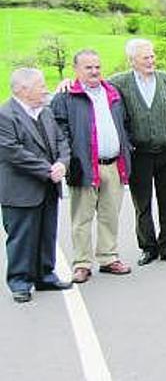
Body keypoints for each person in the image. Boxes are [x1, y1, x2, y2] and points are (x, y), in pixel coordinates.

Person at [52, 50, 133, 283]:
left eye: (97, 66)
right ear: (76, 70)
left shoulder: (113, 93)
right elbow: (59, 131)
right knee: (82, 217)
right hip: (84, 166)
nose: (94, 71)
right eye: (88, 67)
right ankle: (82, 263)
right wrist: (69, 160)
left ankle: (108, 257)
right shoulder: (66, 96)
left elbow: (124, 124)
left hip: (113, 164)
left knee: (110, 216)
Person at [108, 38, 166, 266]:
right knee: (142, 203)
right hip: (140, 153)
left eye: (152, 56)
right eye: (145, 57)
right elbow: (93, 88)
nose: (151, 60)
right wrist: (66, 83)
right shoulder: (119, 83)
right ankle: (148, 247)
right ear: (132, 60)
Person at [0, 69, 71, 302]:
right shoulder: (5, 115)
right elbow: (12, 152)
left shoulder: (46, 112)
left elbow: (61, 140)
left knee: (46, 233)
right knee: (21, 237)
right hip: (21, 189)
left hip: (49, 186)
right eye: (40, 85)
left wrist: (62, 162)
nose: (45, 88)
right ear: (23, 89)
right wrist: (47, 170)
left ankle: (45, 275)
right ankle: (20, 282)